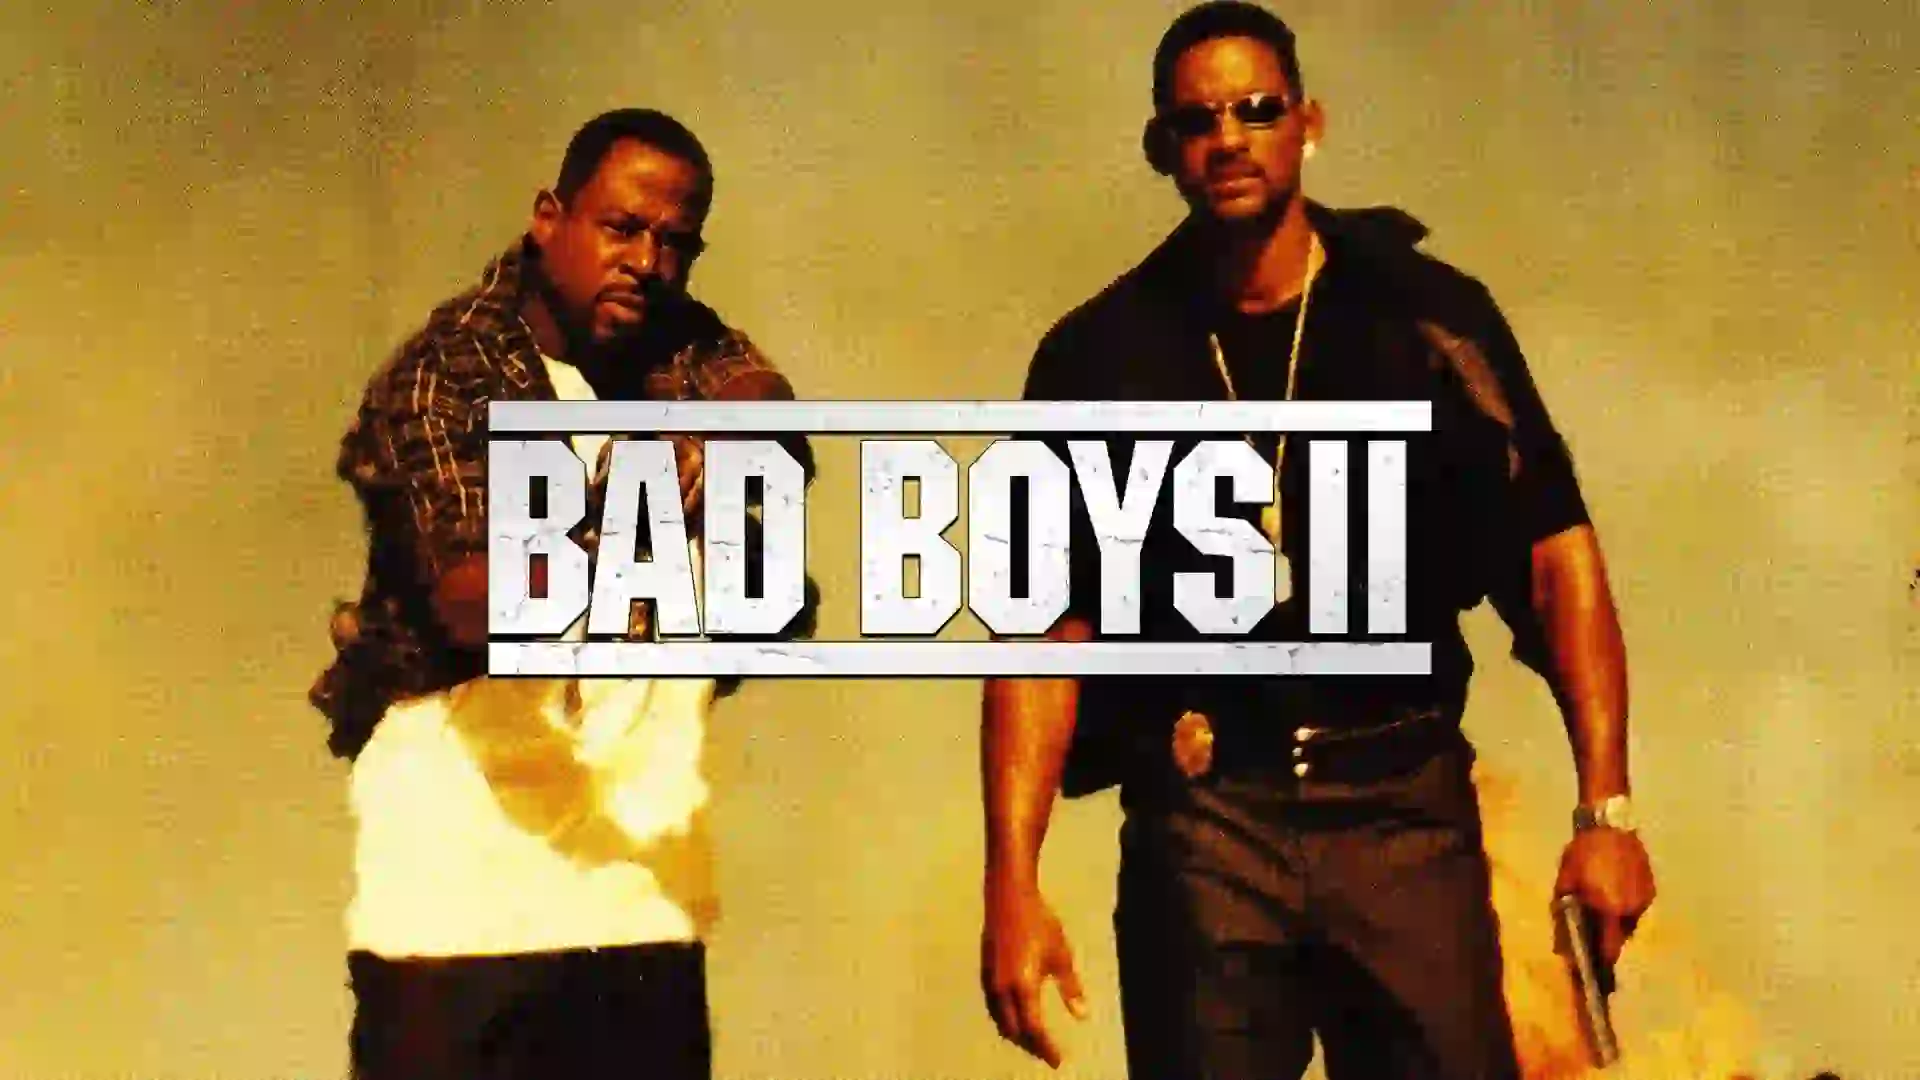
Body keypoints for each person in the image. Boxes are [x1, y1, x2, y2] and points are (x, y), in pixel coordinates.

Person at [979, 4, 1656, 1078]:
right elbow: (1041, 631)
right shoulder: (1098, 357)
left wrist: (1605, 812)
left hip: (1401, 812)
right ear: (1161, 147)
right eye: (1198, 120)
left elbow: (1554, 553)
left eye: (1257, 109)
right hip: (1206, 823)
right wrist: (1012, 883)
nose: (1230, 138)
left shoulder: (1427, 321)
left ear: (1308, 123)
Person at [311, 107, 810, 1080]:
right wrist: (637, 514)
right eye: (622, 228)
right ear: (550, 218)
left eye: (676, 243)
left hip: (634, 891)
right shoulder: (447, 370)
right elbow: (473, 601)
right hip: (461, 887)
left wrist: (721, 441)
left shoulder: (679, 343)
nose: (647, 262)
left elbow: (770, 401)